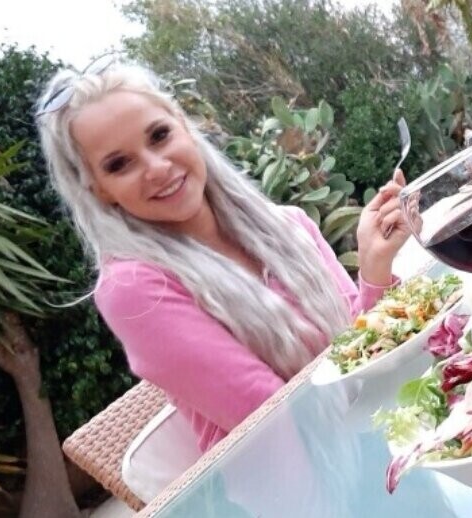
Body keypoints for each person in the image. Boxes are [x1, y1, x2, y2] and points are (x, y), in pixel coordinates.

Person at [35, 62, 411, 452]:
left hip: (384, 436)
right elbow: (275, 420)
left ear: (183, 125)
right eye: (119, 164)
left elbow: (362, 352)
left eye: (160, 136)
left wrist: (374, 266)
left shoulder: (288, 226)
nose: (157, 168)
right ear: (98, 189)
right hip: (309, 478)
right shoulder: (132, 289)